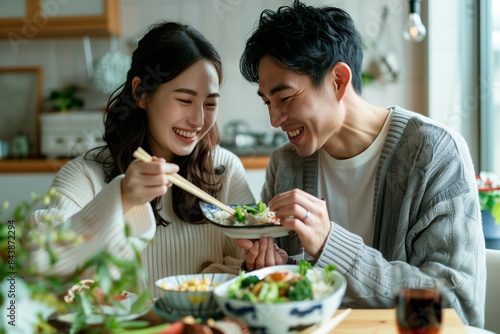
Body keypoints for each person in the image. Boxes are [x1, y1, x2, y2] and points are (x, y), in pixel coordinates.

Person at [236, 0, 486, 327]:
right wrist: (269, 271)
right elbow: (281, 298)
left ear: (338, 80)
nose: (274, 119)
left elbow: (456, 308)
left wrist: (331, 245)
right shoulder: (286, 164)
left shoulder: (434, 154)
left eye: (284, 98)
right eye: (268, 102)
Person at [30, 21, 254, 294]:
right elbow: (37, 264)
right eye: (185, 100)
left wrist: (252, 265)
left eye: (210, 104)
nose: (198, 120)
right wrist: (120, 197)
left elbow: (244, 265)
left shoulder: (224, 169)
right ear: (140, 93)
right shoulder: (86, 175)